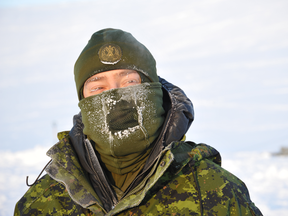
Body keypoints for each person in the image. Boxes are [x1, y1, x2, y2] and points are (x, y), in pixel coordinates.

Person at [14, 28, 263, 216]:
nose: (114, 96)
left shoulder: (215, 191)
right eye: (98, 87)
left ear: (153, 91)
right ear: (82, 103)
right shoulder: (41, 202)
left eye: (129, 82)